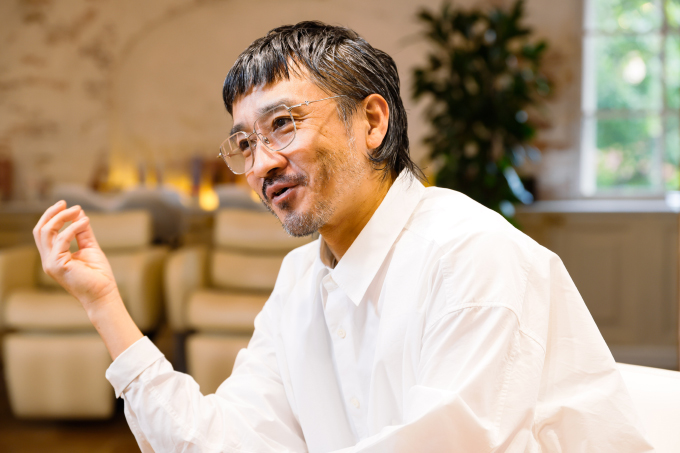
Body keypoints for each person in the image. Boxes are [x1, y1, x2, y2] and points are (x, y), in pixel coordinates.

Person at [34, 21, 652, 452]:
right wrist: (102, 301)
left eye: (283, 124)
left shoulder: (470, 253)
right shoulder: (301, 279)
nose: (261, 164)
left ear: (372, 121)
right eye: (245, 142)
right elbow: (223, 441)